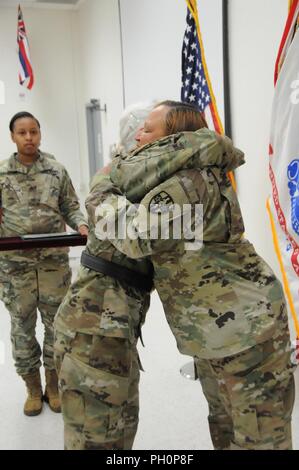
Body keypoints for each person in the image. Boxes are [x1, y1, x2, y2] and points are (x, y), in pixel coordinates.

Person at [95, 100, 296, 450]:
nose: (138, 134)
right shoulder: (180, 175)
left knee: (260, 437)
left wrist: (101, 192)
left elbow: (134, 237)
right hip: (216, 332)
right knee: (225, 425)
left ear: (174, 138)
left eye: (148, 129)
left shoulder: (187, 182)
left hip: (245, 332)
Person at [53, 103, 156, 450]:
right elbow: (138, 236)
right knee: (93, 438)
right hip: (92, 331)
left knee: (122, 429)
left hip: (118, 329)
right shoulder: (111, 181)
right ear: (140, 140)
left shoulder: (146, 182)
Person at [0, 111, 88, 417]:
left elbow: (71, 207)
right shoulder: (1, 174)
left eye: (33, 132)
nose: (29, 138)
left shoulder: (55, 170)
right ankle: (33, 389)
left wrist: (81, 225)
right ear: (12, 136)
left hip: (53, 263)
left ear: (40, 134)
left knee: (57, 326)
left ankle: (54, 386)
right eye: (22, 133)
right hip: (15, 267)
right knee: (22, 328)